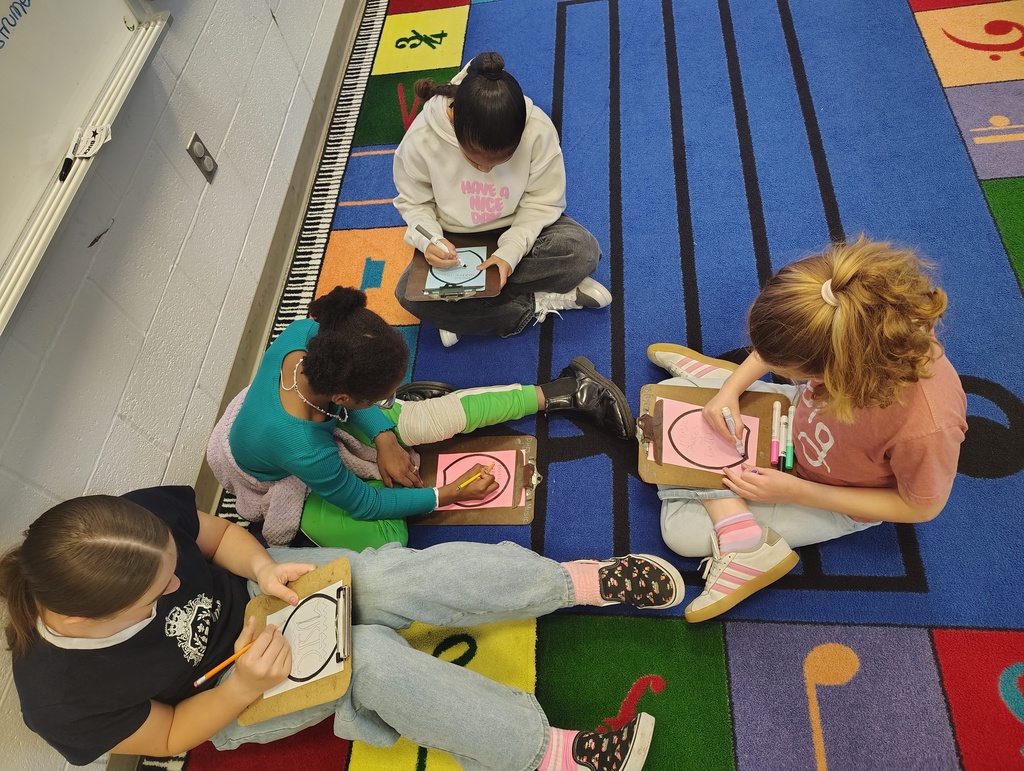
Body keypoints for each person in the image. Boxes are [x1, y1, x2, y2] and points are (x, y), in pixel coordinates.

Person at [0, 485, 683, 769]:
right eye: (159, 593)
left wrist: (264, 567)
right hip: (225, 691)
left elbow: (211, 536)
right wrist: (243, 685)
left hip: (257, 595)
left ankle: (574, 583)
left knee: (391, 578)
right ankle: (547, 754)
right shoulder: (58, 694)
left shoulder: (122, 529)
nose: (178, 582)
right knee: (375, 661)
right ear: (90, 617)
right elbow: (174, 734)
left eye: (170, 568)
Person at [648, 237, 967, 622]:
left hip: (832, 493)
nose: (773, 364)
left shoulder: (927, 428)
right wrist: (732, 392)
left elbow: (922, 506)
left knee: (680, 532)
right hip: (792, 420)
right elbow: (787, 347)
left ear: (840, 372)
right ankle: (723, 386)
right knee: (666, 397)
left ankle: (751, 548)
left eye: (790, 369)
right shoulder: (857, 319)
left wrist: (797, 491)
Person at [208, 286, 634, 549]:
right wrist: (443, 495)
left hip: (318, 416)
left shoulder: (311, 334)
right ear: (343, 394)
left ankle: (565, 390)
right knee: (391, 538)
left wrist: (384, 438)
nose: (389, 401)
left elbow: (341, 410)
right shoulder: (304, 449)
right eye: (383, 396)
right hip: (276, 475)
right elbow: (365, 502)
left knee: (427, 420)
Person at [393, 51, 610, 347]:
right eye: (475, 161)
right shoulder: (420, 140)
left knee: (581, 251)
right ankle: (534, 301)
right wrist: (429, 239)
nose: (487, 171)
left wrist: (510, 253)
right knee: (407, 293)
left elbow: (542, 203)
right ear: (456, 128)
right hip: (456, 240)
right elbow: (414, 204)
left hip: (520, 226)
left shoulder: (537, 129)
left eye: (500, 162)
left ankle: (460, 307)